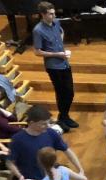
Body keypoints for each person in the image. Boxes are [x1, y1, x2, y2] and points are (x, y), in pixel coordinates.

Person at [33, 2, 76, 131]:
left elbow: (61, 32)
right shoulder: (38, 30)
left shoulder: (56, 22)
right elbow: (37, 51)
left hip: (64, 63)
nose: (54, 16)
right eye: (51, 14)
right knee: (61, 92)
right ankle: (64, 117)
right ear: (43, 15)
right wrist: (56, 53)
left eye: (54, 13)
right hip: (53, 66)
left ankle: (63, 116)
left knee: (70, 92)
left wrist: (60, 44)